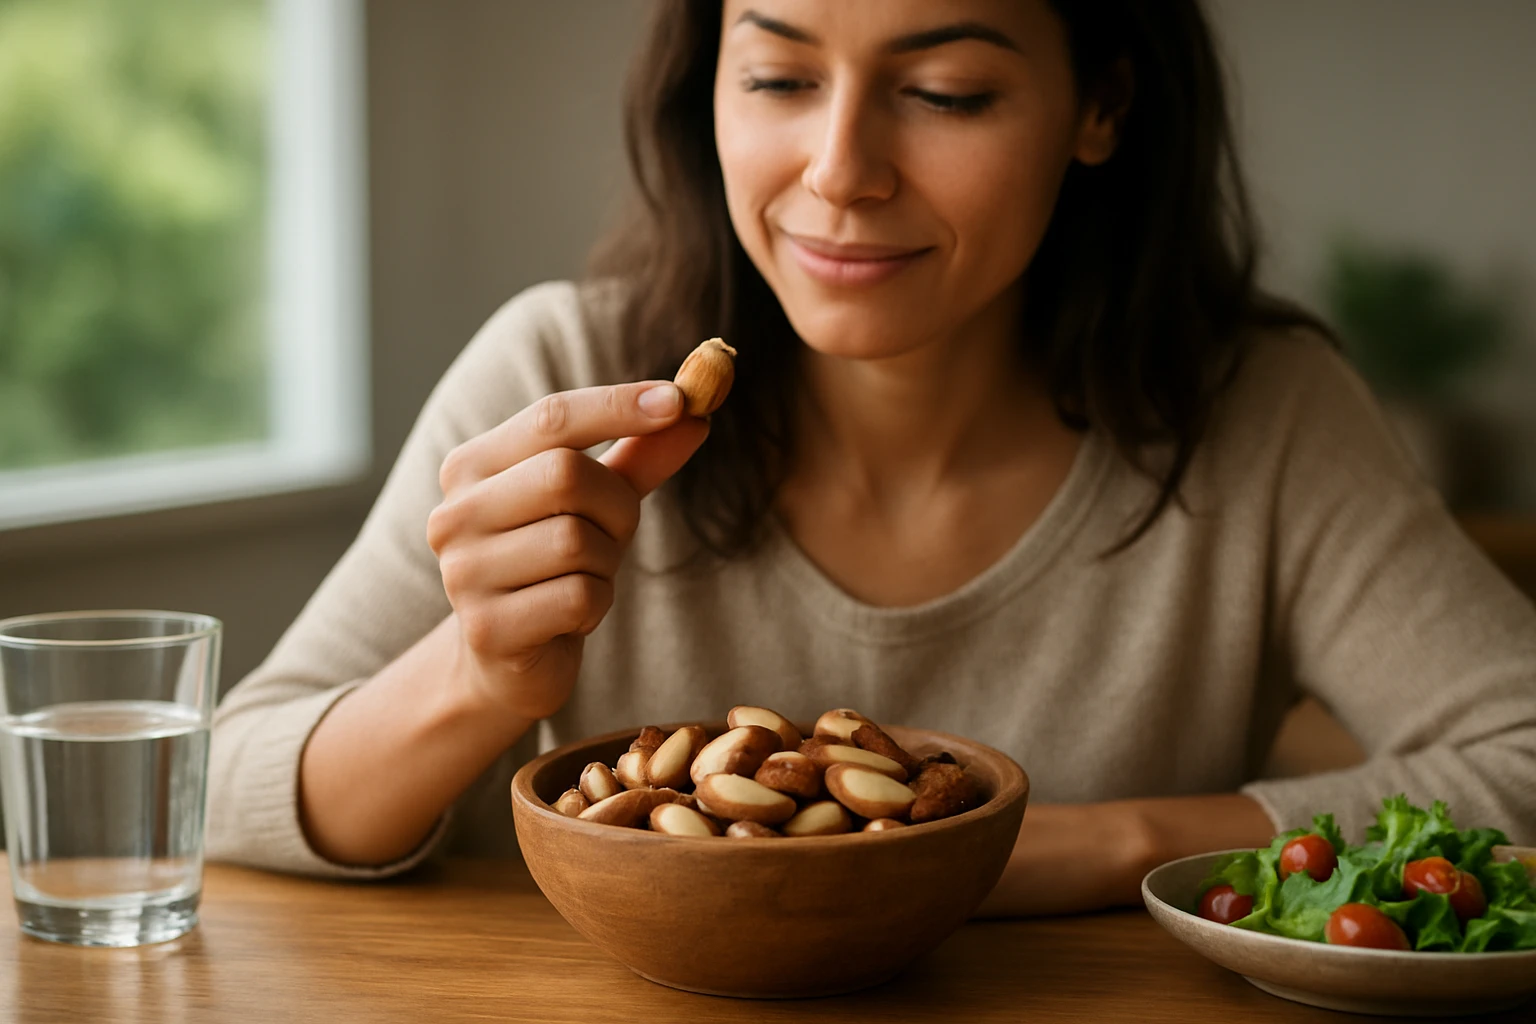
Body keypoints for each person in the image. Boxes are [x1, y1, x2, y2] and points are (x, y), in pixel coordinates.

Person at [207, 0, 1536, 915]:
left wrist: (1084, 841)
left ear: (1102, 104)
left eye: (945, 91)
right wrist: (475, 675)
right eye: (778, 76)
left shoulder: (1259, 412)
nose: (840, 171)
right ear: (705, 84)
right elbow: (219, 790)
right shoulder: (563, 374)